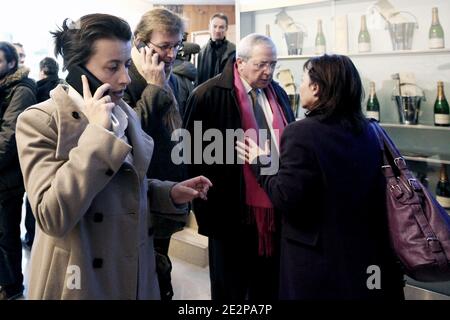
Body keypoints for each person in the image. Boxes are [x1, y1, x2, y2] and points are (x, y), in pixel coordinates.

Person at [15, 13, 212, 300]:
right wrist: (97, 135)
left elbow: (124, 187)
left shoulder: (125, 113)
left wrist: (167, 193)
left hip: (134, 271)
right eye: (112, 67)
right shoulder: (40, 121)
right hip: (80, 277)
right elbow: (52, 215)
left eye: (127, 64)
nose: (126, 78)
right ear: (77, 71)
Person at [236, 54, 405, 299]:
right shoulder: (370, 130)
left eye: (303, 80)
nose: (300, 85)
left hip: (318, 261)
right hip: (367, 255)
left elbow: (286, 196)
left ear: (316, 88)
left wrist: (261, 162)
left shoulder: (301, 133)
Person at [183, 33, 295, 300]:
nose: (268, 71)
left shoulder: (277, 93)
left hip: (274, 208)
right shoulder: (207, 95)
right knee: (229, 288)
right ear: (240, 62)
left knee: (268, 285)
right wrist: (205, 211)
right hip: (229, 210)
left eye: (273, 64)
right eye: (261, 64)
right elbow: (190, 157)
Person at [124, 8, 189, 300]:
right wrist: (153, 88)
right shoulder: (124, 78)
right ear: (140, 43)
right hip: (139, 191)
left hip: (169, 187)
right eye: (164, 46)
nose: (172, 53)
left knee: (160, 264)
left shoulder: (172, 77)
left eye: (177, 45)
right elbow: (128, 136)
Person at [0, 41, 37, 300]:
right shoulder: (3, 88)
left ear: (12, 63)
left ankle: (12, 288)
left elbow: (8, 139)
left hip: (8, 179)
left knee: (6, 237)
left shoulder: (21, 90)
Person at [196, 13, 235, 86]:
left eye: (221, 27)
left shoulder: (233, 50)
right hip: (205, 94)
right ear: (209, 28)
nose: (217, 30)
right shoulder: (202, 51)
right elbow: (198, 78)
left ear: (226, 28)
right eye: (214, 26)